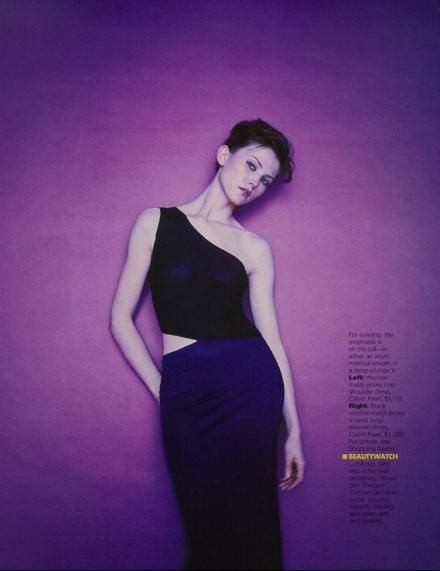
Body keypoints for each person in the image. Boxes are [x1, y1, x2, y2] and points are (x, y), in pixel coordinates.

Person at [110, 118, 305, 570]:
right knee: (205, 530)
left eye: (265, 180)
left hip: (249, 389)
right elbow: (120, 318)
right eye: (251, 165)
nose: (254, 182)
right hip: (187, 391)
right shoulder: (155, 222)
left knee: (251, 527)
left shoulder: (254, 247)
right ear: (223, 155)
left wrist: (293, 428)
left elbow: (272, 340)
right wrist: (163, 388)